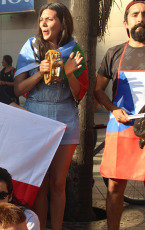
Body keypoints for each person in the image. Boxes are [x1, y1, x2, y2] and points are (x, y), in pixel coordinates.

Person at [13, 3, 88, 229]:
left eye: (49, 19)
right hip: (36, 118)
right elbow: (17, 90)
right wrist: (40, 73)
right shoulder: (31, 47)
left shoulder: (76, 50)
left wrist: (68, 73)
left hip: (66, 117)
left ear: (62, 23)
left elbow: (79, 94)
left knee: (57, 184)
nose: (43, 23)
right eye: (41, 19)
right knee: (40, 184)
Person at [94, 1, 145, 229]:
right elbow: (97, 89)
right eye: (135, 14)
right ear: (126, 23)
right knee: (115, 187)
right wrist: (113, 109)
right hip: (121, 126)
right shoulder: (114, 53)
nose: (141, 18)